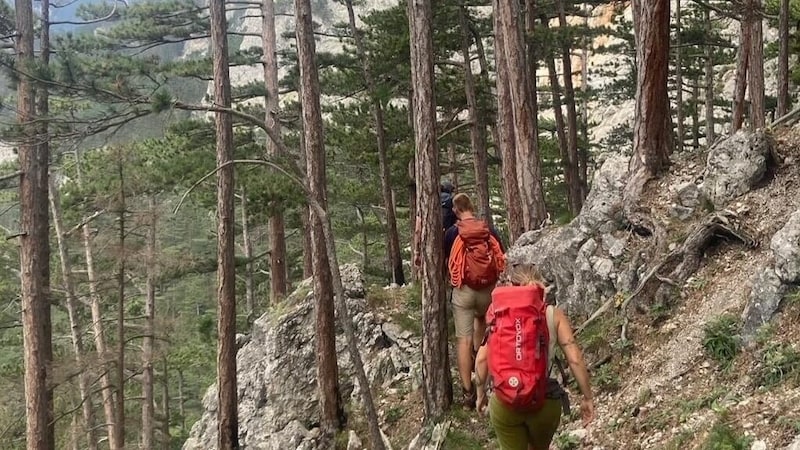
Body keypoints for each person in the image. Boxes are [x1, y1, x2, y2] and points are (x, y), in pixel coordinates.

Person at [474, 263, 595, 450]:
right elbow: (575, 359)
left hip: (505, 402)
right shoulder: (553, 314)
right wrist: (587, 397)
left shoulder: (498, 312)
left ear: (511, 285)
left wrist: (480, 392)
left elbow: (482, 360)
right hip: (545, 401)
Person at [444, 193, 505, 409]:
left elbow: (444, 259)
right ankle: (482, 376)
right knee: (483, 325)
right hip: (487, 291)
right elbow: (500, 256)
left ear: (456, 211)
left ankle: (468, 394)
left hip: (464, 291)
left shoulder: (453, 232)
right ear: (471, 206)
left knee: (463, 339)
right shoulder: (487, 229)